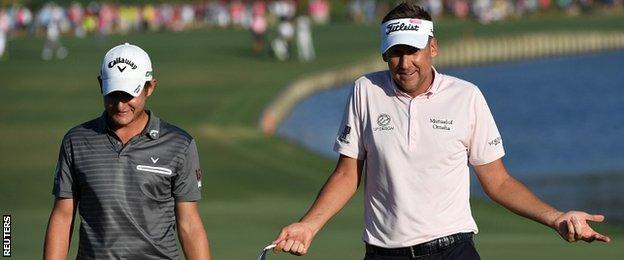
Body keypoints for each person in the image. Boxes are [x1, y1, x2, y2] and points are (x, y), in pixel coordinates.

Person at [273, 2, 610, 259]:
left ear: (432, 48)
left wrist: (556, 217)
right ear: (384, 54)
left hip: (451, 250)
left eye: (413, 51)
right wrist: (309, 224)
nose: (405, 64)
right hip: (382, 253)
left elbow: (498, 181)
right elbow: (348, 174)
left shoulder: (466, 97)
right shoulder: (365, 91)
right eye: (395, 54)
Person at [44, 43, 211, 260]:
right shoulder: (75, 141)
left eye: (129, 94)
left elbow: (189, 223)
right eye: (113, 95)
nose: (121, 105)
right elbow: (63, 217)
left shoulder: (179, 144)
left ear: (150, 87)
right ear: (100, 85)